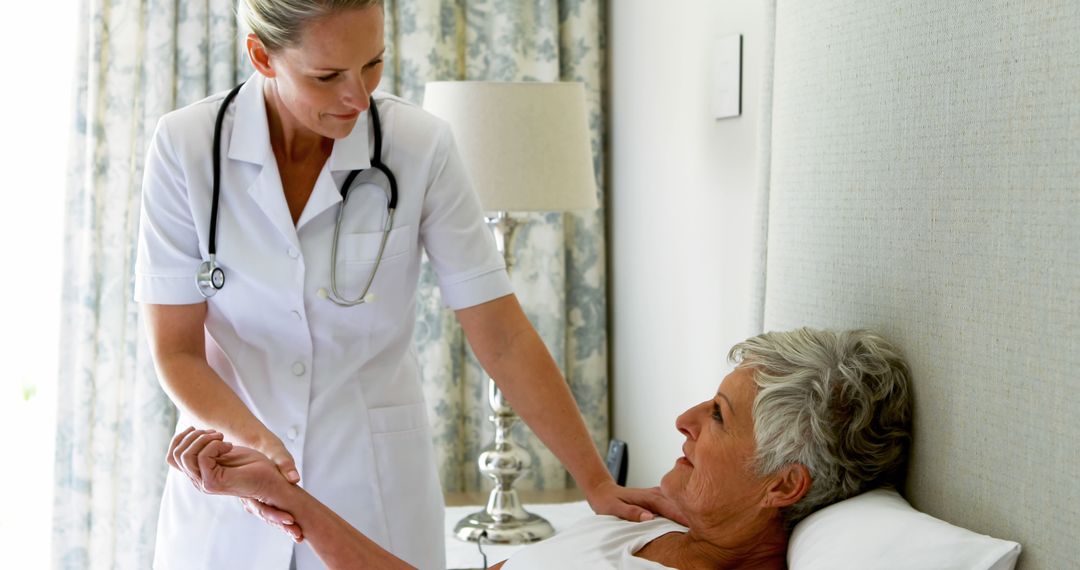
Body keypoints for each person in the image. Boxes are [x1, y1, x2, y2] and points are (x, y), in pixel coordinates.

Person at [135, 1, 661, 568]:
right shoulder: (187, 147)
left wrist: (596, 483)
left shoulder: (418, 146)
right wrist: (262, 449)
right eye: (327, 76)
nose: (357, 97)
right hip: (229, 483)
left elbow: (502, 334)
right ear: (262, 56)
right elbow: (177, 349)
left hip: (371, 488)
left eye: (373, 63)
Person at [168, 328, 913, 569]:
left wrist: (286, 495)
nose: (684, 419)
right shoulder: (658, 523)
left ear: (783, 487)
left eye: (718, 416)